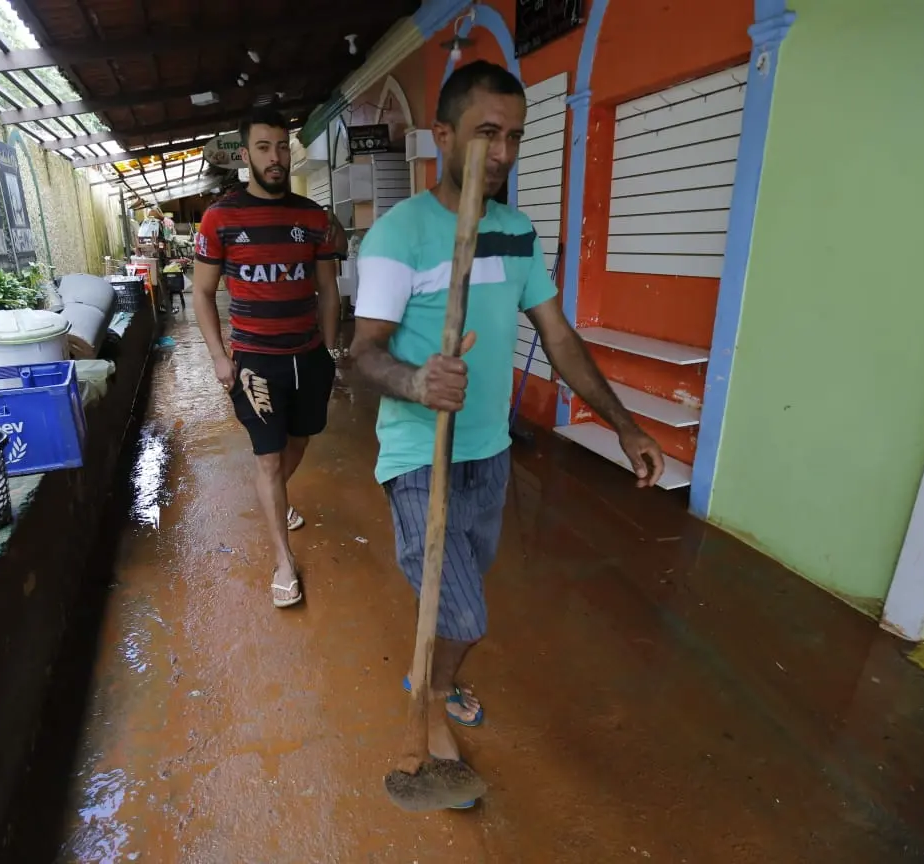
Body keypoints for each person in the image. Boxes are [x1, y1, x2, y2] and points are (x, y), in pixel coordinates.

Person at [350, 61, 667, 784]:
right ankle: (426, 700)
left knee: (459, 595)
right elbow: (360, 356)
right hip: (417, 456)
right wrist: (416, 380)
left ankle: (438, 672)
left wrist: (620, 423)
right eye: (486, 132)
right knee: (464, 614)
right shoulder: (400, 237)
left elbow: (557, 337)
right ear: (442, 136)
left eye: (514, 136)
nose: (501, 152)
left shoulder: (517, 233)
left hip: (489, 455)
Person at [192, 107, 343, 608]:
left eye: (282, 146)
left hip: (308, 357)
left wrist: (329, 348)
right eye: (263, 147)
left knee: (298, 443)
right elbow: (203, 293)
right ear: (246, 154)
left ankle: (276, 496)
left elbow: (328, 289)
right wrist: (219, 356)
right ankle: (283, 558)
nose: (275, 157)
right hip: (255, 362)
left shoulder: (312, 217)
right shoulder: (221, 218)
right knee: (270, 456)